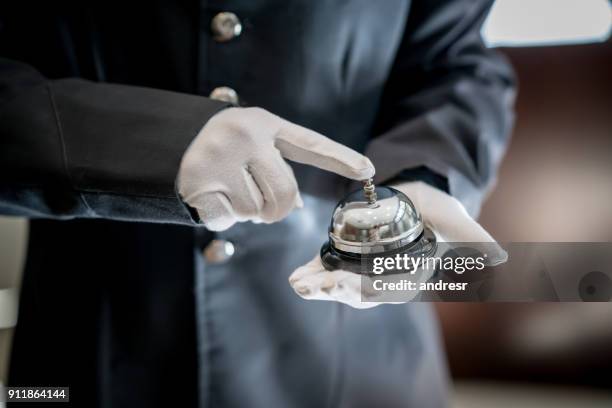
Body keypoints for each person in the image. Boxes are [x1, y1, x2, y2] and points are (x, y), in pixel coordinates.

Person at [0, 0, 515, 406]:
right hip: (85, 356)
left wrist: (425, 174)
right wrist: (154, 145)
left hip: (360, 360)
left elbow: (455, 62)